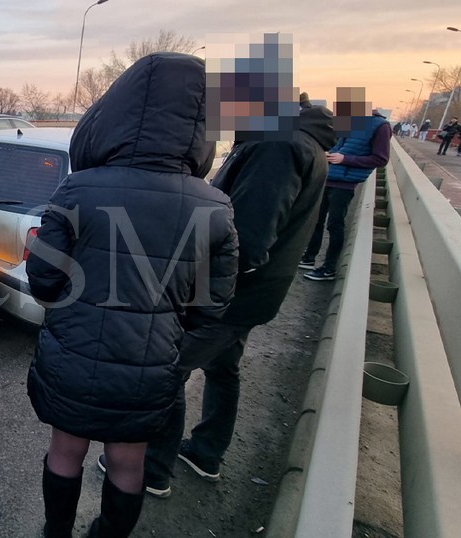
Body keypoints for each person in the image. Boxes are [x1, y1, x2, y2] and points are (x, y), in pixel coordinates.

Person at [26, 52, 238, 537]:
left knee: (65, 452)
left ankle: (55, 534)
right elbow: (213, 308)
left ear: (115, 114)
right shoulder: (215, 207)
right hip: (149, 367)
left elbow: (43, 281)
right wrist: (167, 346)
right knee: (127, 463)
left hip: (73, 356)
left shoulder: (79, 188)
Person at [134, 35, 336, 499]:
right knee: (225, 369)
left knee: (169, 371)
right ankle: (206, 453)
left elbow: (247, 238)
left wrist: (197, 287)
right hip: (257, 294)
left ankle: (153, 470)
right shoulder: (295, 140)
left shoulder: (276, 147)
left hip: (231, 296)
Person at [302, 101, 390, 280]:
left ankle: (329, 268)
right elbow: (337, 145)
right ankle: (309, 258)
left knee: (335, 225)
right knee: (315, 221)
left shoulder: (381, 126)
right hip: (327, 177)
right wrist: (327, 154)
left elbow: (380, 159)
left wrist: (345, 159)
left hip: (345, 184)